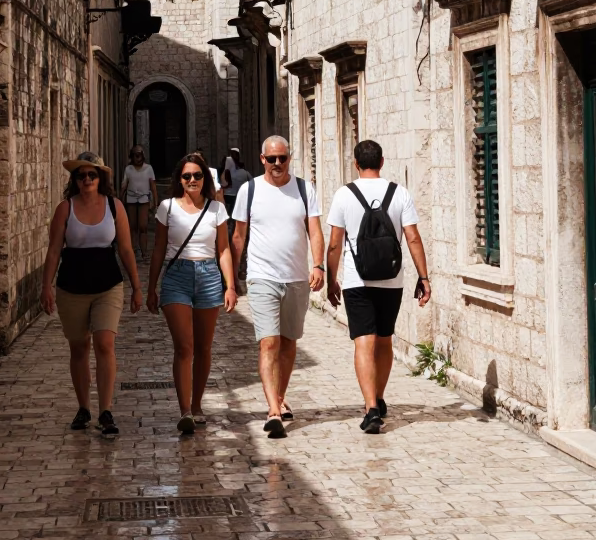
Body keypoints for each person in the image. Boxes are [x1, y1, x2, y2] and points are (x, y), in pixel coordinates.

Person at [326, 139, 431, 434]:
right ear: (382, 162)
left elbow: (335, 243)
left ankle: (371, 406)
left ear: (356, 164)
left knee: (363, 341)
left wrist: (332, 278)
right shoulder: (400, 194)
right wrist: (424, 277)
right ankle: (381, 397)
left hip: (356, 279)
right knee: (384, 339)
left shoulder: (344, 195)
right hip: (391, 279)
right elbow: (412, 238)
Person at [40, 151, 142, 436]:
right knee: (79, 348)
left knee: (105, 344)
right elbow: (53, 251)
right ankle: (84, 407)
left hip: (108, 285)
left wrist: (136, 286)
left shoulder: (114, 207)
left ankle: (105, 410)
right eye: (81, 175)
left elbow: (125, 249)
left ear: (100, 179)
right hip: (71, 287)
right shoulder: (65, 209)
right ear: (75, 179)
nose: (86, 179)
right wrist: (46, 286)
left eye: (92, 175)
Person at [231, 135, 324, 438]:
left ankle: (280, 398)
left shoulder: (303, 189)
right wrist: (232, 277)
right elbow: (238, 236)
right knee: (268, 342)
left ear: (289, 158)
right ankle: (273, 410)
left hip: (297, 278)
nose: (277, 164)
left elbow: (315, 231)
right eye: (271, 159)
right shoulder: (250, 189)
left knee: (288, 342)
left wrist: (319, 264)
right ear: (262, 159)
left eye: (282, 158)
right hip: (262, 276)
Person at [146, 151, 237, 434]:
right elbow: (159, 249)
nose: (192, 180)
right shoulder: (167, 208)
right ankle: (184, 409)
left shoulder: (216, 210)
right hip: (177, 278)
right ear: (179, 180)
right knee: (184, 346)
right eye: (187, 176)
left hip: (209, 276)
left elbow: (223, 249)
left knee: (204, 347)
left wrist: (230, 285)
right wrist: (151, 287)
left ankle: (197, 405)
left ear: (205, 179)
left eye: (198, 175)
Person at [120, 146, 157, 259]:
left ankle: (144, 251)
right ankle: (134, 250)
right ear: (132, 156)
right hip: (131, 199)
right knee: (132, 226)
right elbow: (124, 185)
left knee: (143, 226)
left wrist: (155, 201)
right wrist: (120, 199)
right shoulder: (129, 169)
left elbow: (153, 186)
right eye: (135, 155)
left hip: (143, 199)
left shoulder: (148, 168)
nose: (138, 157)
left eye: (139, 154)